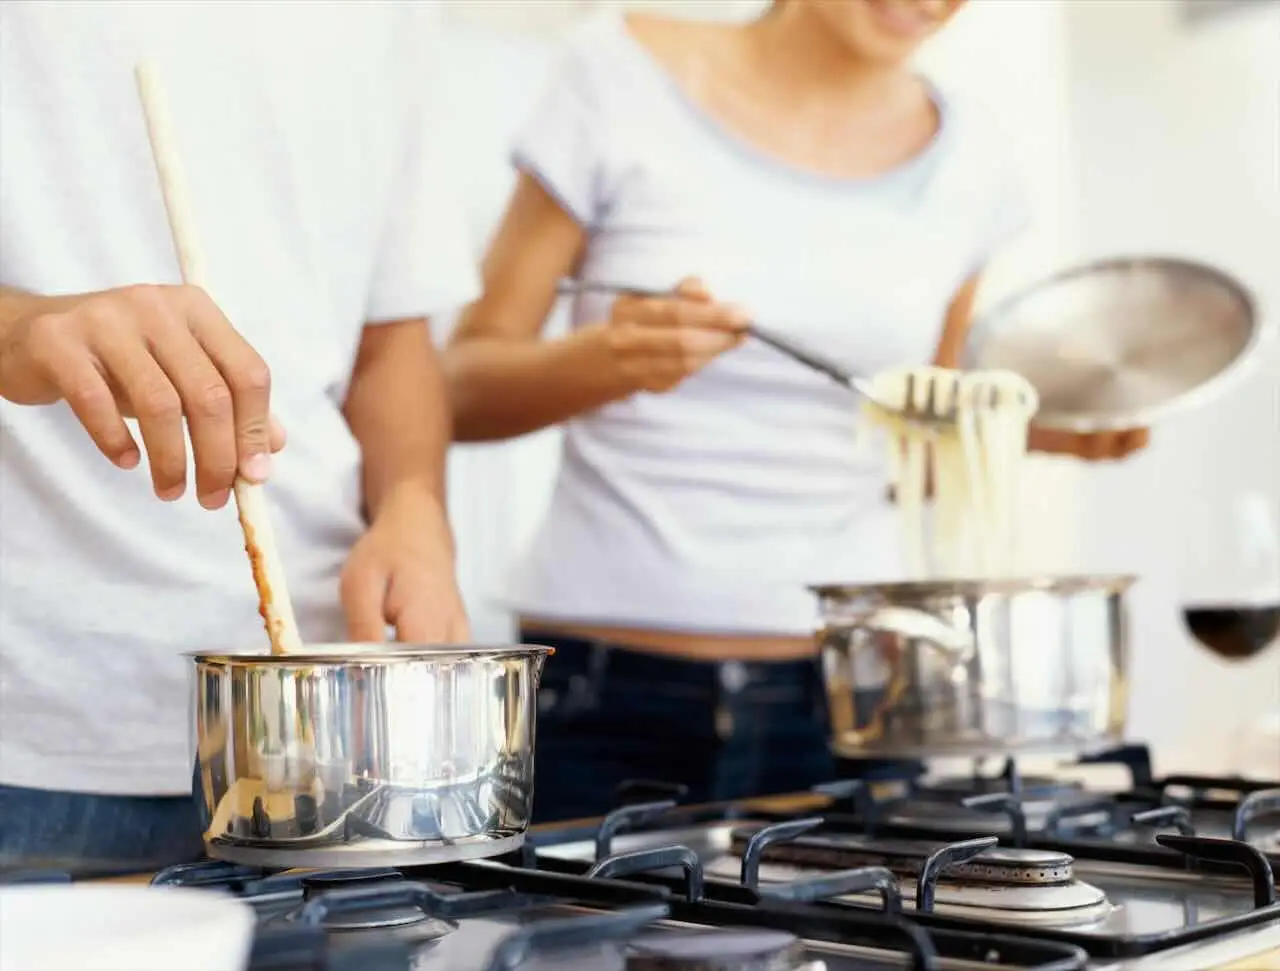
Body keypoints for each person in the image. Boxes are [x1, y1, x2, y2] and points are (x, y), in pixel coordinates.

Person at [444, 0, 1149, 822]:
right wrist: (610, 362)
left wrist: (1042, 429)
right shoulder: (616, 76)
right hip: (600, 693)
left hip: (850, 698)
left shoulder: (977, 161)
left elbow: (914, 438)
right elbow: (459, 389)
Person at [0, 2, 475, 873]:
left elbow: (388, 337)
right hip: (27, 738)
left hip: (327, 745)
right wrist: (19, 327)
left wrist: (414, 502)